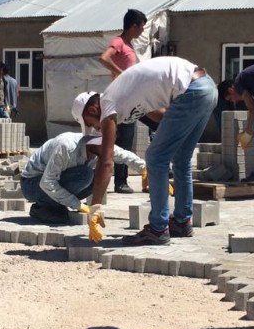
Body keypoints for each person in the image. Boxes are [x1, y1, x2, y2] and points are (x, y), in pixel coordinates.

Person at [74, 56, 217, 246]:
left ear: (92, 109)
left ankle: (158, 229)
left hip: (191, 91)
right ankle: (182, 222)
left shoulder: (108, 102)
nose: (96, 129)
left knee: (155, 157)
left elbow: (106, 161)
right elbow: (162, 117)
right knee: (181, 158)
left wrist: (95, 206)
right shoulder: (126, 97)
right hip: (206, 88)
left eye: (91, 124)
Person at [21, 132, 146, 224]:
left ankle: (55, 206)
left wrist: (146, 170)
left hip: (50, 181)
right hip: (31, 184)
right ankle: (42, 208)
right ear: (93, 145)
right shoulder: (66, 147)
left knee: (98, 177)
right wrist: (78, 205)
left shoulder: (100, 146)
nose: (110, 149)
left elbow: (124, 156)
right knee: (85, 174)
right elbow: (47, 182)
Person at [98, 8, 145, 194]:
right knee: (123, 140)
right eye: (142, 26)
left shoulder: (129, 44)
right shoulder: (119, 42)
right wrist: (122, 73)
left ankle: (121, 180)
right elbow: (103, 58)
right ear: (134, 25)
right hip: (122, 98)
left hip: (130, 97)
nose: (142, 31)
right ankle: (120, 182)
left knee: (127, 138)